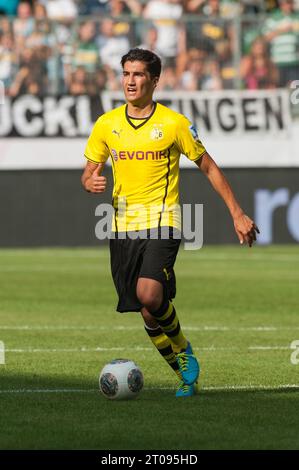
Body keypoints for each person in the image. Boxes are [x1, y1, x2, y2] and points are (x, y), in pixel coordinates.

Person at [81, 48, 259, 398]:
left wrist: (237, 212)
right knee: (147, 312)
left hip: (164, 220)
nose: (130, 81)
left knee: (150, 294)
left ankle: (184, 348)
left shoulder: (174, 124)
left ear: (154, 80)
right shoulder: (107, 124)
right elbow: (89, 172)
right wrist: (89, 181)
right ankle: (184, 376)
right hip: (121, 227)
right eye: (126, 74)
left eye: (138, 74)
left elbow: (208, 166)